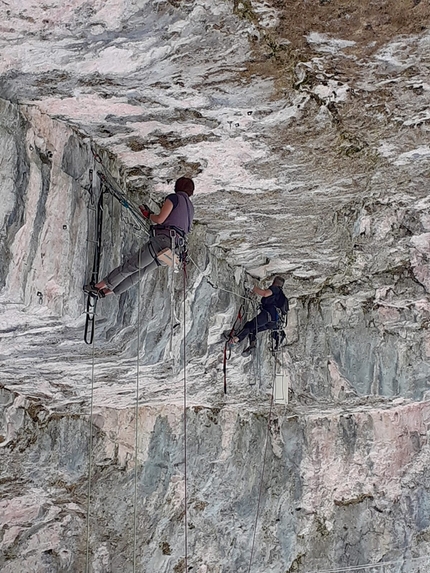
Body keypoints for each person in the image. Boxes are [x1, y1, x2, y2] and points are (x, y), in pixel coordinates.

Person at [84, 177, 194, 297]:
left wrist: (149, 215)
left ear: (177, 186)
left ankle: (98, 287)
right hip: (174, 250)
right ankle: (107, 292)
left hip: (163, 242)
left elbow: (160, 219)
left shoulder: (174, 198)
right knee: (140, 273)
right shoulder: (191, 208)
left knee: (132, 266)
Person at [227, 276, 286, 355]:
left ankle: (234, 340)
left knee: (250, 325)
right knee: (254, 329)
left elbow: (264, 293)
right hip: (274, 323)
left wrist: (251, 287)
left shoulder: (275, 289)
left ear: (274, 283)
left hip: (267, 315)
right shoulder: (283, 298)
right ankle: (252, 343)